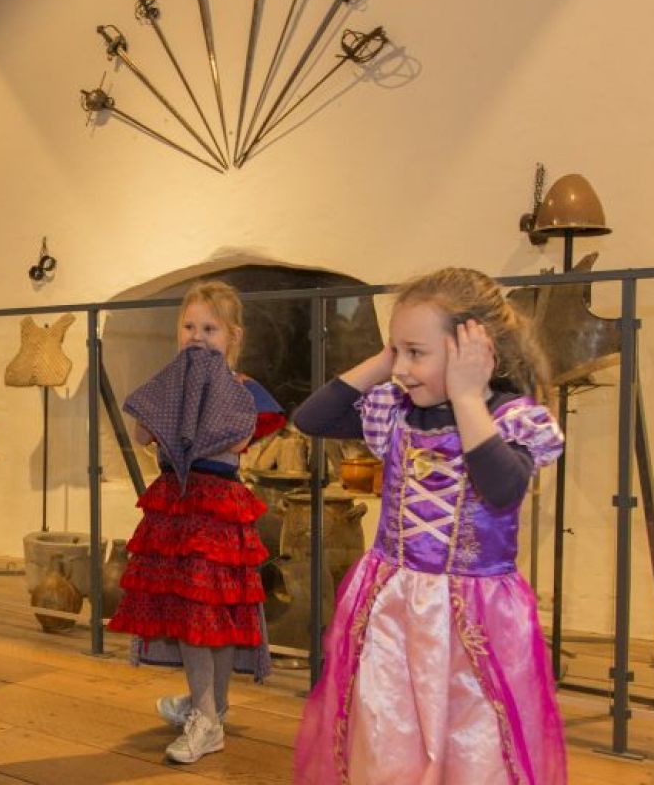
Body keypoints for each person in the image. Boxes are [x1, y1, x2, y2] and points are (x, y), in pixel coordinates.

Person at [291, 267, 566, 784]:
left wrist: (467, 397)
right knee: (387, 734)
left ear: (473, 351)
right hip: (394, 607)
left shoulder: (509, 419)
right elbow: (312, 418)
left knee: (476, 743)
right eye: (399, 352)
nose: (403, 369)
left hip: (476, 624)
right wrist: (387, 356)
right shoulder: (394, 411)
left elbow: (502, 489)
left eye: (417, 353)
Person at [108, 281, 285, 765]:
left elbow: (237, 437)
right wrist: (167, 405)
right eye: (188, 327)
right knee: (191, 614)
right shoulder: (170, 383)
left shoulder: (244, 390)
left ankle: (210, 713)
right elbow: (145, 433)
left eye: (209, 328)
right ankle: (207, 708)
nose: (197, 336)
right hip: (176, 505)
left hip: (216, 509)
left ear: (233, 336)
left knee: (213, 614)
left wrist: (212, 395)